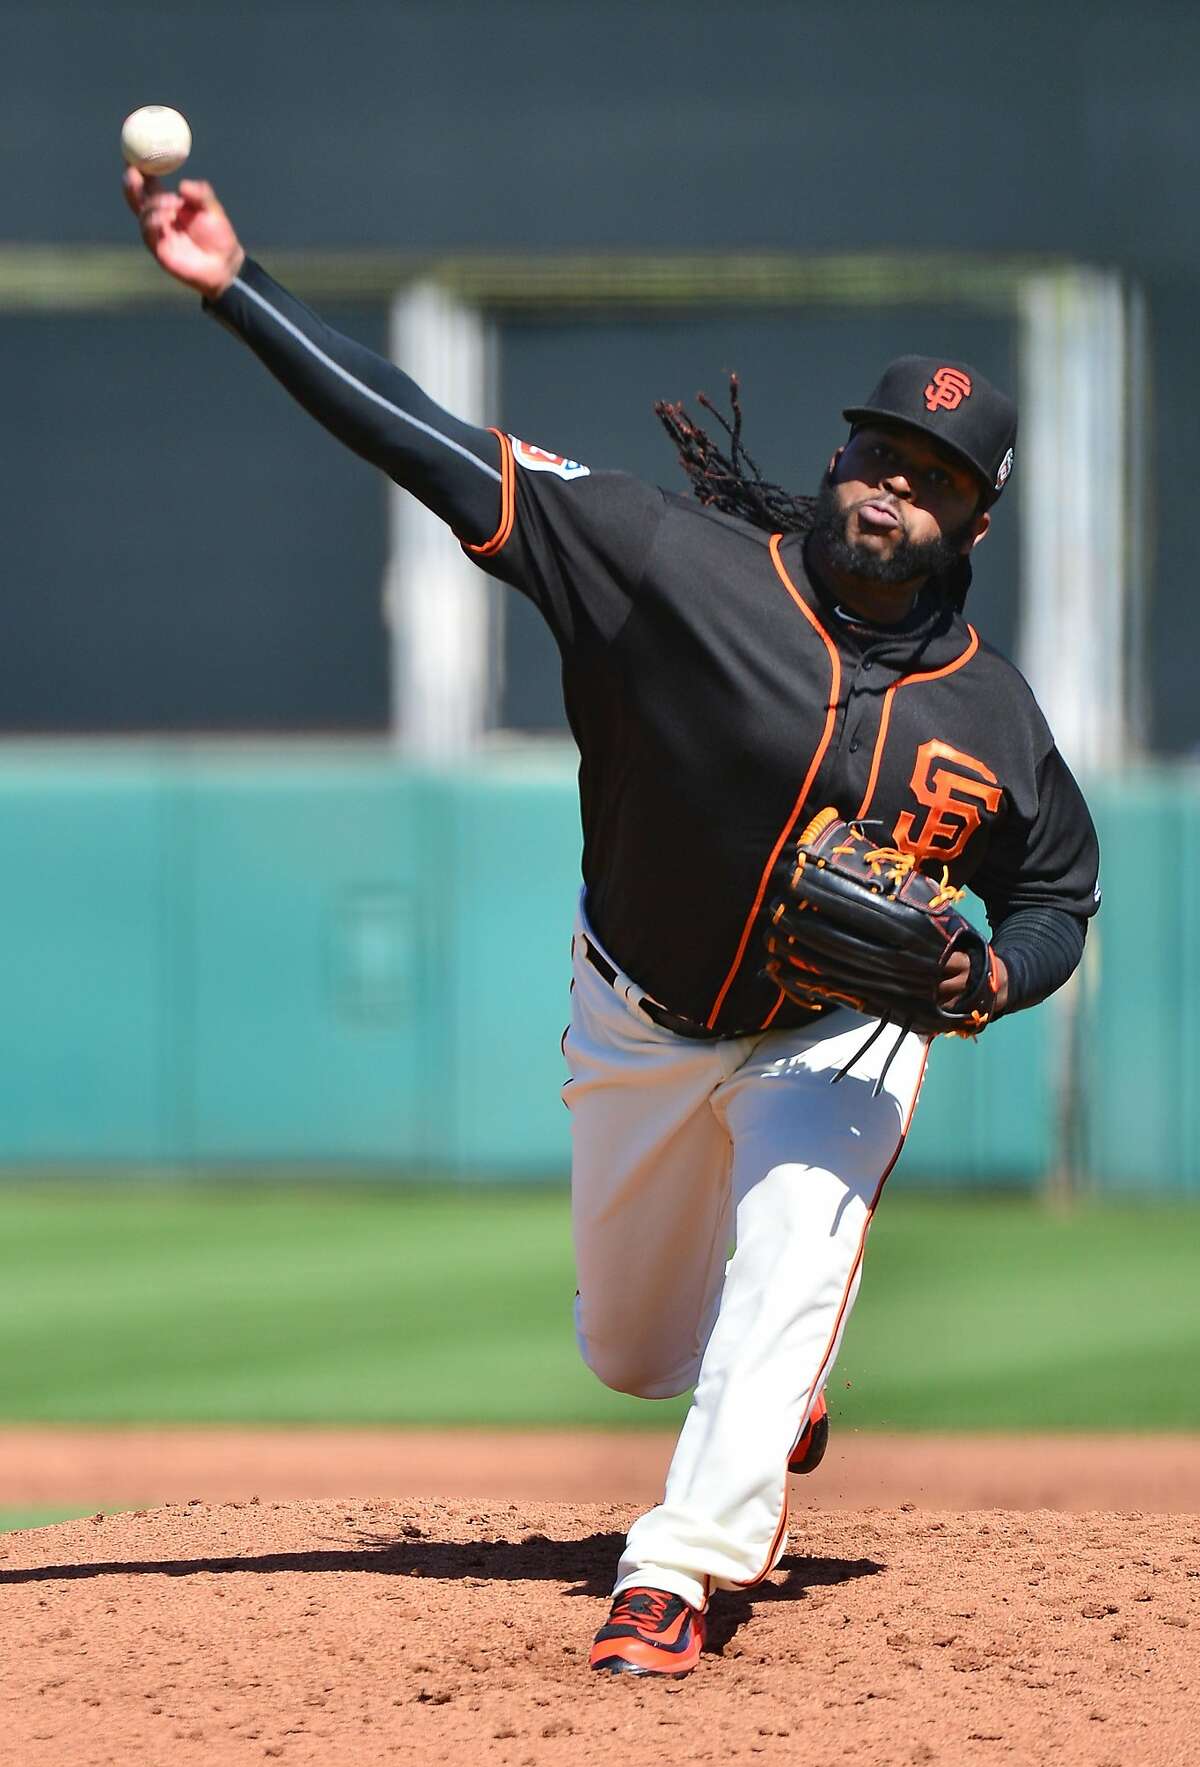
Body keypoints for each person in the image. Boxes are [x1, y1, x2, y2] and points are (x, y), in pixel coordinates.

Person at [124, 170, 1100, 1680]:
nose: (892, 482)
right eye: (879, 448)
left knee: (793, 1239)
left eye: (934, 469)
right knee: (634, 1351)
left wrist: (984, 975)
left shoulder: (995, 717)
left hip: (836, 1037)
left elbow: (1057, 897)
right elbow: (431, 446)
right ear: (838, 451)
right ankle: (763, 1404)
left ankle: (683, 1567)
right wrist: (233, 283)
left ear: (980, 509)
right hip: (635, 1011)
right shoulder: (666, 561)